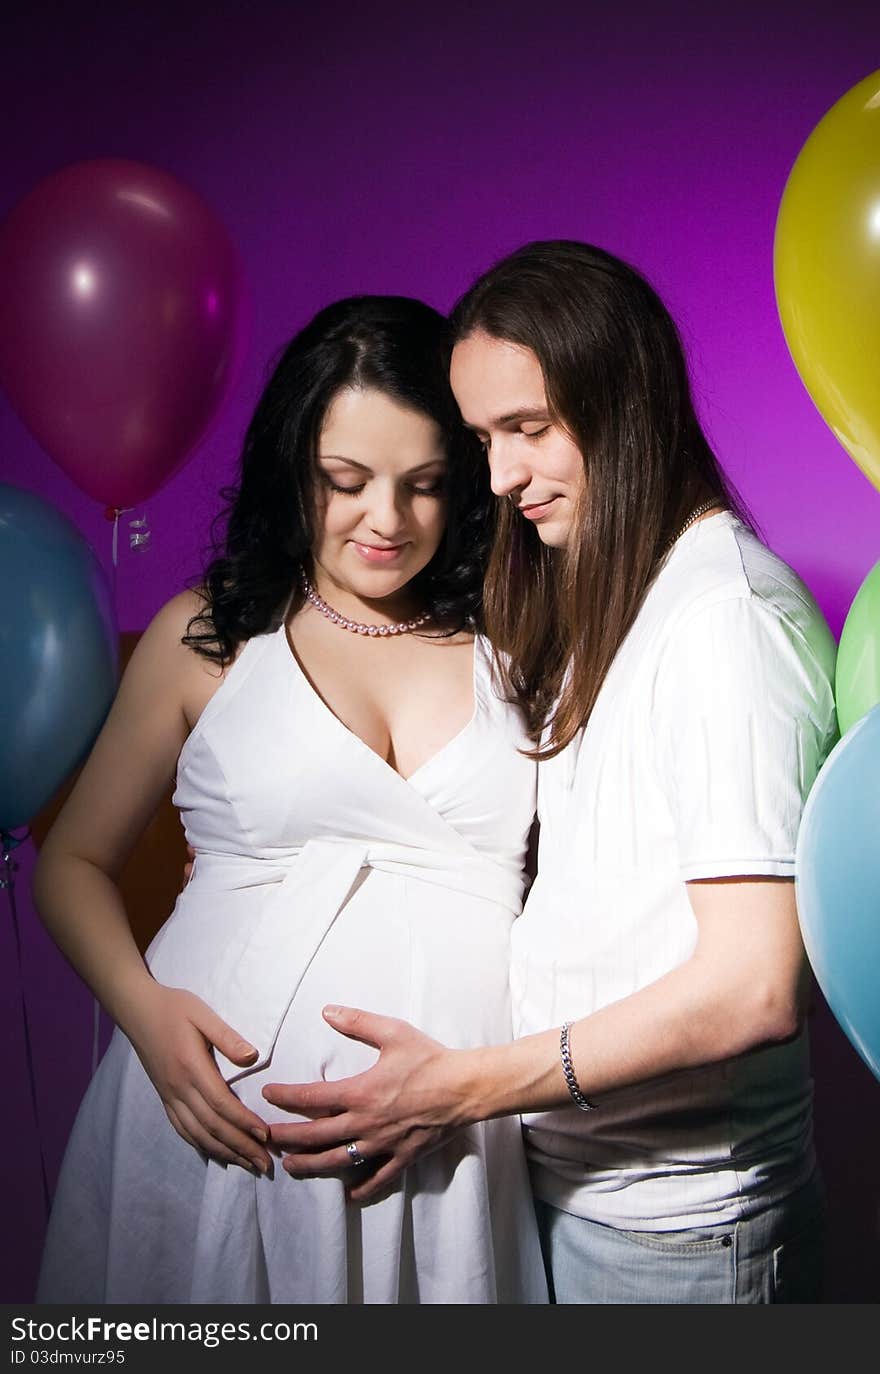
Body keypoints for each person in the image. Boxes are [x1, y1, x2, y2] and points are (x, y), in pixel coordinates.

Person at [262, 242, 839, 1304]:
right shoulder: (616, 596)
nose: (499, 478)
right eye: (483, 439)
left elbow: (752, 989)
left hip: (680, 1234)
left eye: (526, 430)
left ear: (624, 401)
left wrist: (460, 1088)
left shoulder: (724, 621)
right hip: (584, 1199)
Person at [33, 295, 548, 1305]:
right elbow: (72, 863)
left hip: (454, 1133)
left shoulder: (521, 639)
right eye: (345, 483)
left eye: (426, 486)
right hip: (214, 1121)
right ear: (291, 471)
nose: (386, 522)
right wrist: (150, 1023)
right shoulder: (209, 638)